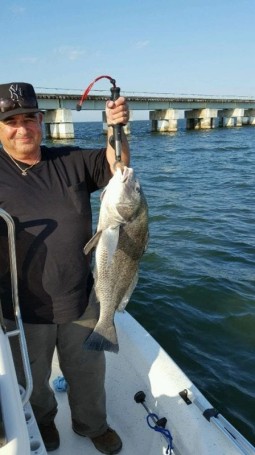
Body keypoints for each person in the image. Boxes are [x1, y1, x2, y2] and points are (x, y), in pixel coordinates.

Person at [0, 82, 130, 454]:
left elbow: (117, 168)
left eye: (29, 118)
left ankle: (93, 424)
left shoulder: (71, 161)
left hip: (82, 298)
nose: (22, 127)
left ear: (42, 121)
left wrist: (116, 129)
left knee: (88, 373)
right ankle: (44, 422)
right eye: (10, 120)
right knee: (33, 380)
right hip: (20, 308)